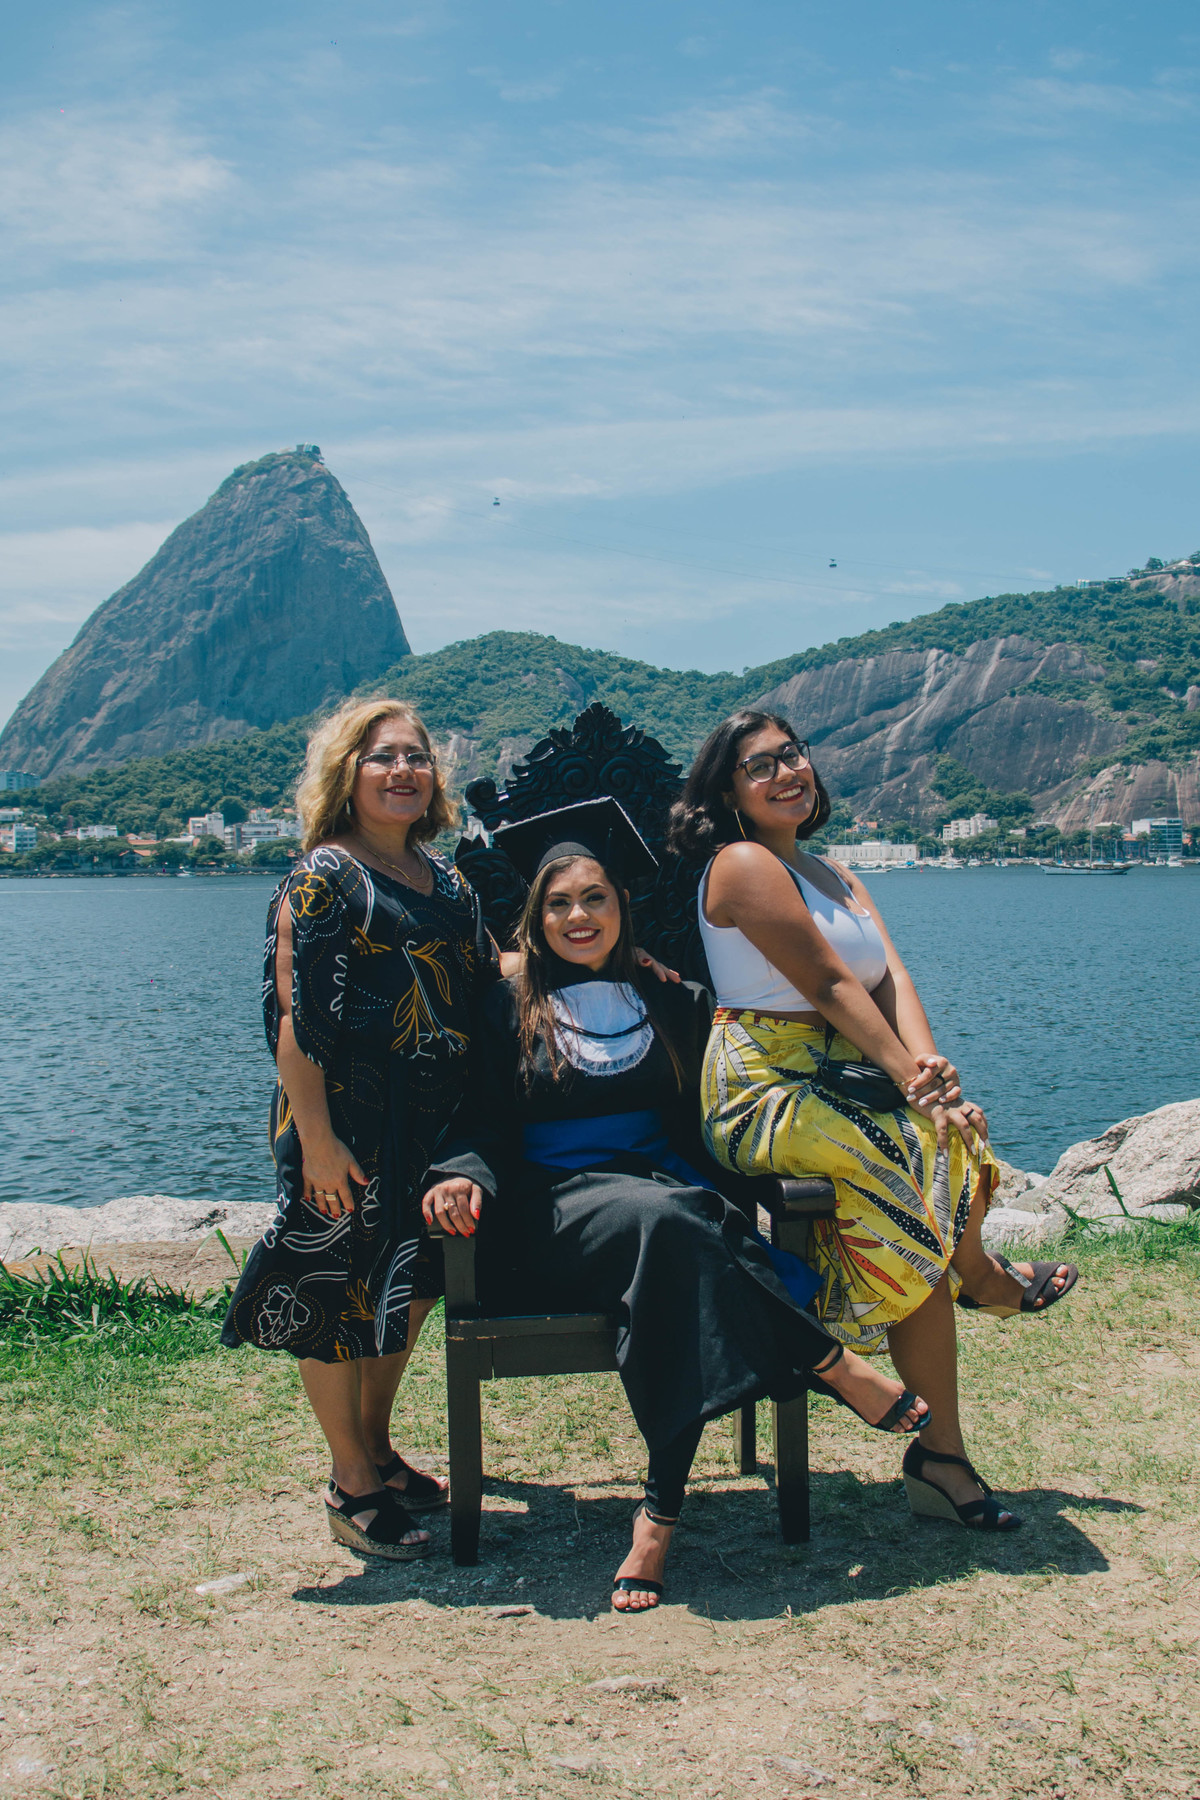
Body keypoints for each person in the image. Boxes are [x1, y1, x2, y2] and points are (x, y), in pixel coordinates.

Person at [421, 799, 930, 1612]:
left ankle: (657, 1521)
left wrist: (793, 1172)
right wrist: (458, 1173)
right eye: (558, 903)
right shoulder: (501, 1006)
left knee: (679, 1241)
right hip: (550, 1214)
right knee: (677, 1224)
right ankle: (826, 1360)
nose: (578, 916)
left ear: (623, 909)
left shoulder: (676, 1001)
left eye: (596, 898)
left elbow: (716, 1123)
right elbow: (473, 1119)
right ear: (535, 919)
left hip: (665, 1207)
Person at [671, 711, 1079, 1533]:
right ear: (729, 792)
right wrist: (913, 1088)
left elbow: (889, 976)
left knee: (951, 1136)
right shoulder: (743, 864)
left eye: (793, 755)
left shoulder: (834, 874)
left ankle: (942, 1456)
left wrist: (933, 1076)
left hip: (845, 1071)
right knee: (911, 1144)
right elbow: (826, 985)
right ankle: (984, 1279)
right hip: (765, 1085)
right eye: (761, 767)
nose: (788, 772)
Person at [222, 697, 497, 1559]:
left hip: (427, 1125)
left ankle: (378, 1448)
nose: (404, 770)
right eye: (384, 757)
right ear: (349, 773)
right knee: (332, 1297)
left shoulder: (445, 879)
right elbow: (295, 1022)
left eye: (417, 756)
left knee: (403, 1291)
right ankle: (350, 1481)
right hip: (341, 1122)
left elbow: (487, 976)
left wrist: (611, 955)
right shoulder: (326, 877)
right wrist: (317, 1140)